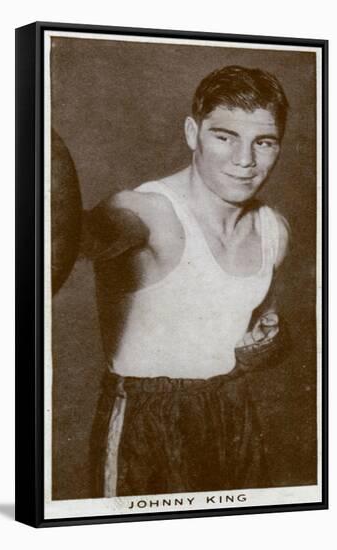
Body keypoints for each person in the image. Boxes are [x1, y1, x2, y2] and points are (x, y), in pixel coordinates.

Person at [82, 65, 291, 498]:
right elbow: (67, 239)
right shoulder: (144, 212)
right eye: (225, 136)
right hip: (146, 418)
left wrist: (265, 336)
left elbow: (255, 327)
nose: (245, 160)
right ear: (193, 132)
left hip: (232, 413)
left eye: (263, 142)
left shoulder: (272, 230)